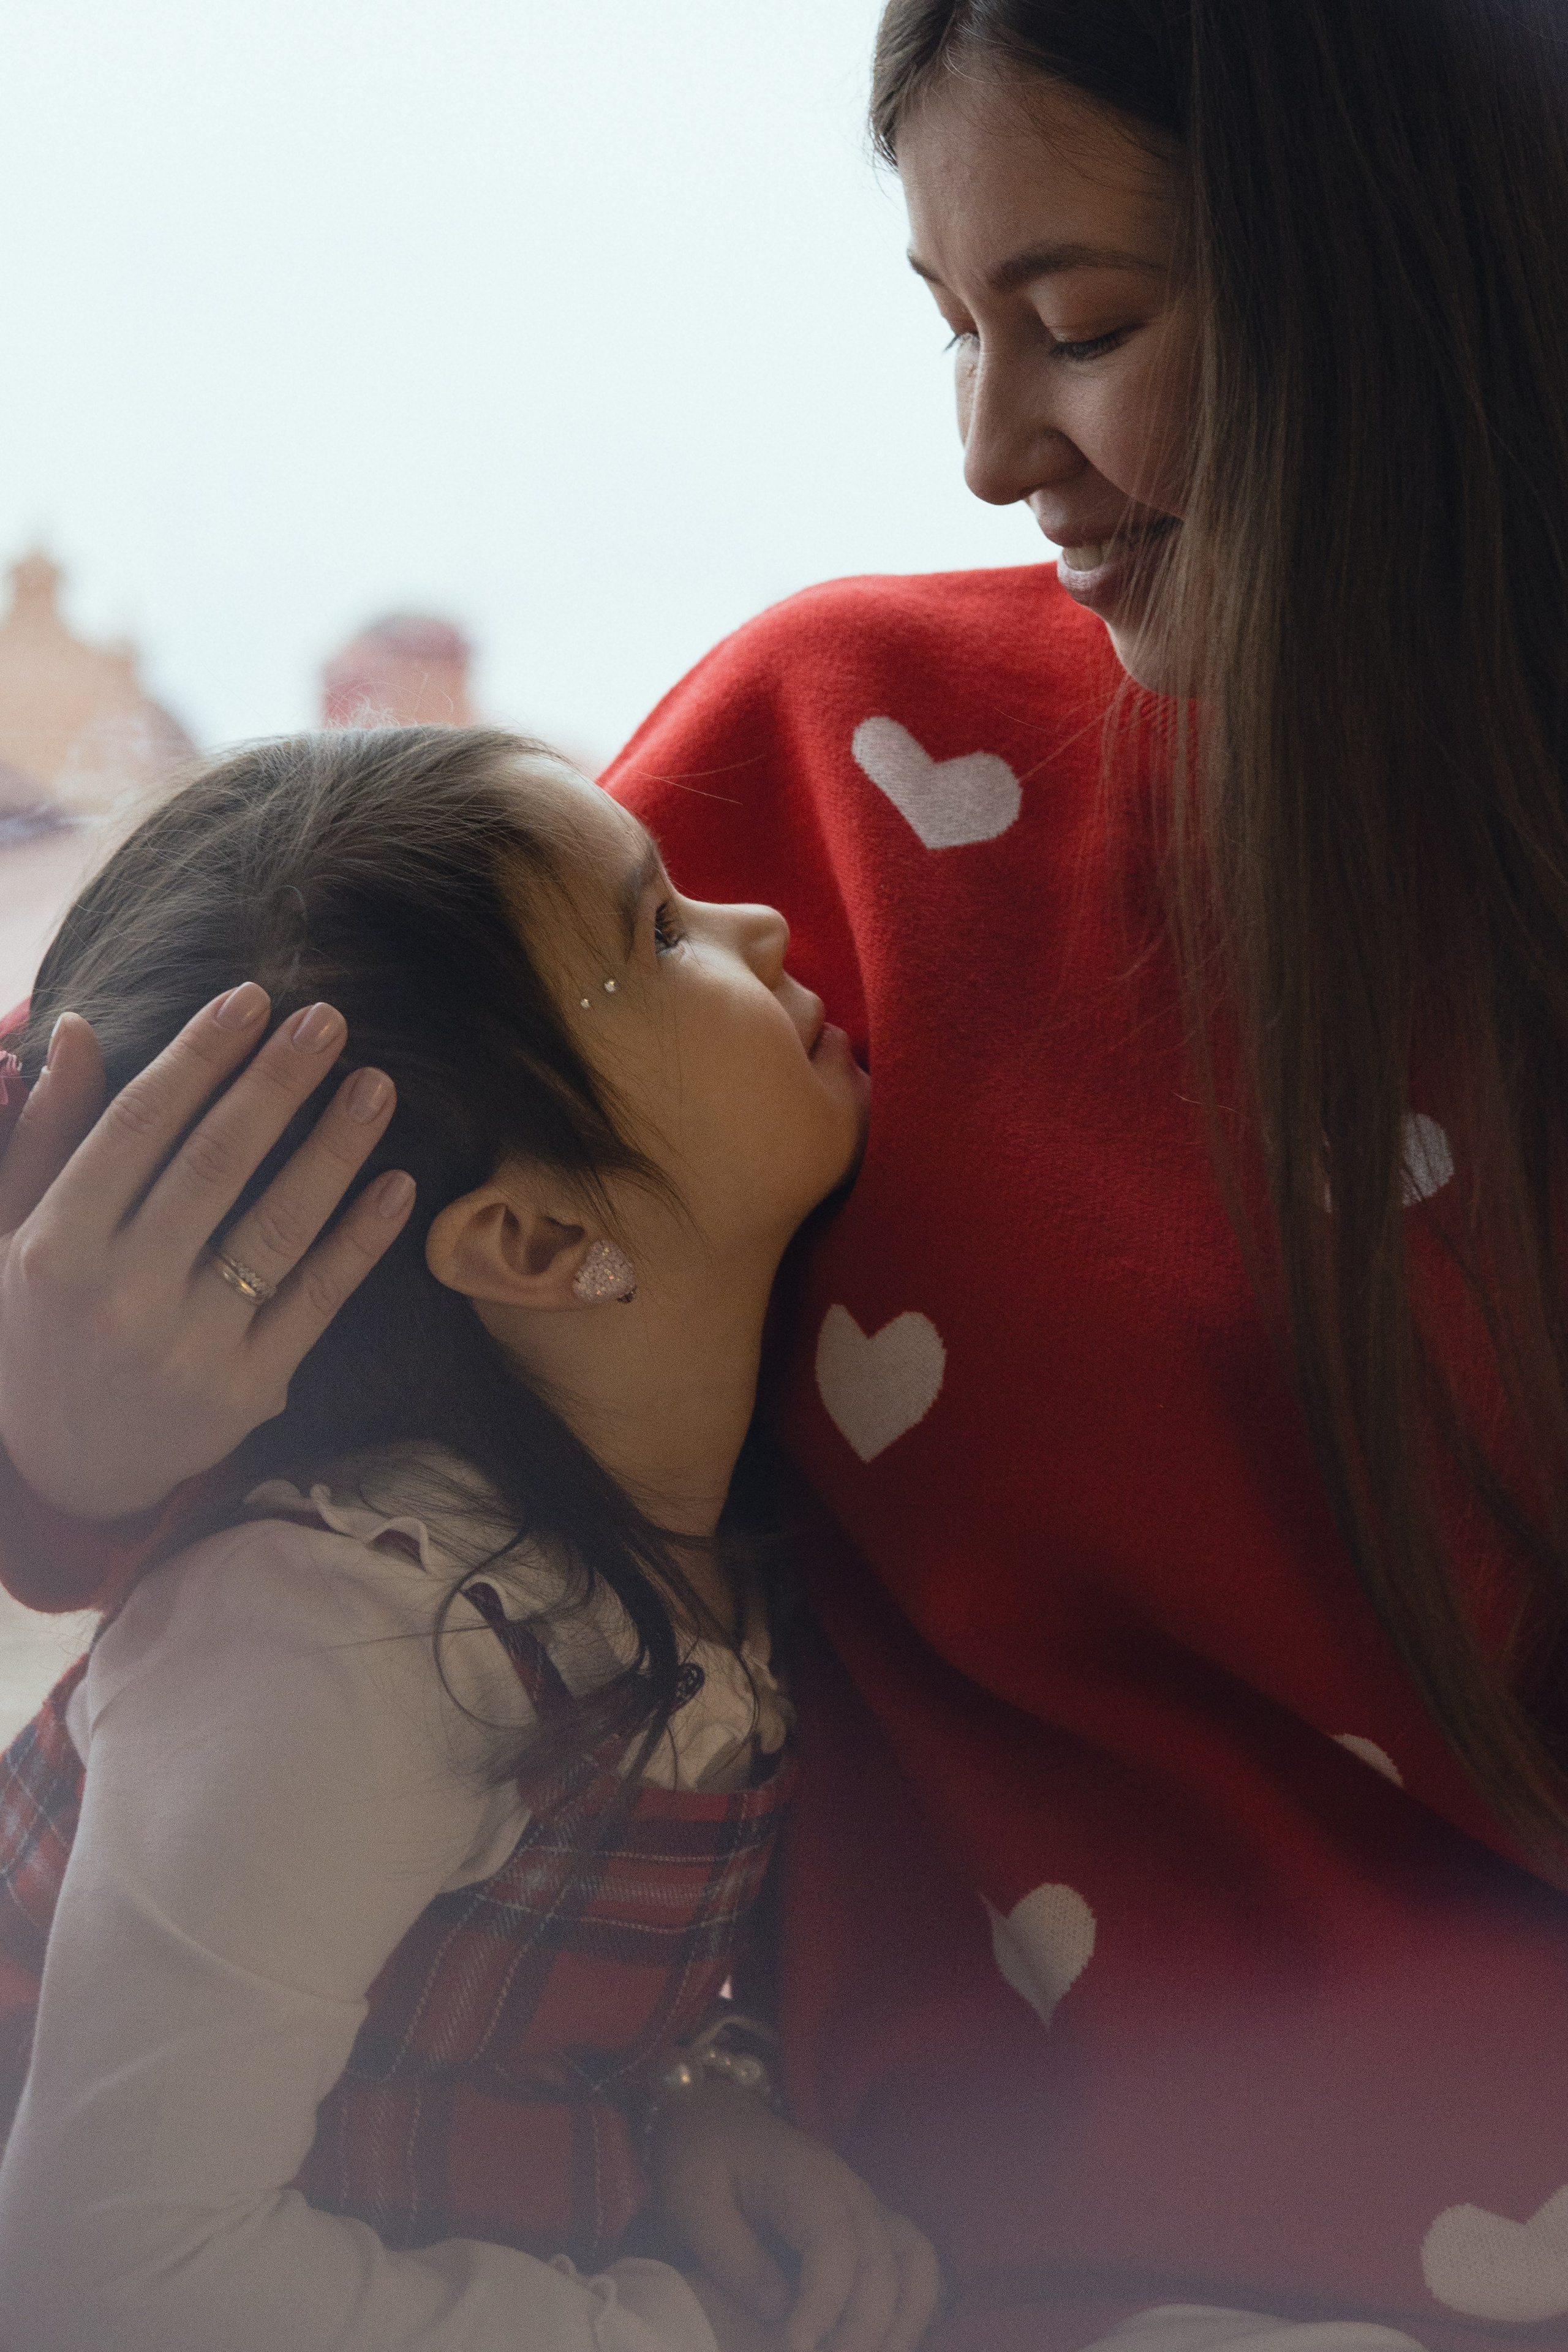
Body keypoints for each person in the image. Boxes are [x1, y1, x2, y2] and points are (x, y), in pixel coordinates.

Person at [3, 0, 1568, 2345]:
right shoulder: (826, 771)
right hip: (896, 2260)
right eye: (954, 326)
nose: (989, 452)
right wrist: (58, 1452)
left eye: (1082, 327)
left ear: (1411, 283)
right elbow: (330, 1240)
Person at [0, 726, 941, 2352]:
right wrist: (669, 2331)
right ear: (534, 1236)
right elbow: (106, 2286)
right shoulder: (338, 1645)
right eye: (663, 934)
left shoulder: (687, 1541)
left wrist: (689, 2103)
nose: (767, 925)